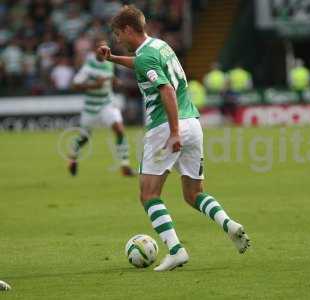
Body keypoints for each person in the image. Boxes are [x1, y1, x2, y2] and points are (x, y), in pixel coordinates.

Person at [96, 5, 250, 271]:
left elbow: (165, 89)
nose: (117, 40)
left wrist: (174, 132)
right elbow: (142, 65)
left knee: (148, 194)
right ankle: (230, 224)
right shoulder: (159, 46)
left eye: (117, 34)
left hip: (165, 128)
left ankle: (176, 250)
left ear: (128, 29)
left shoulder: (146, 57)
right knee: (193, 194)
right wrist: (113, 59)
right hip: (193, 123)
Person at [69, 38, 135, 177]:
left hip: (107, 103)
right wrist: (94, 85)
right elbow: (74, 85)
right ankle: (73, 156)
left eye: (106, 47)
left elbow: (109, 76)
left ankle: (125, 166)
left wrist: (115, 80)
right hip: (91, 107)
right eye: (101, 47)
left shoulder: (108, 61)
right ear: (95, 50)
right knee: (85, 137)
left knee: (119, 130)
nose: (104, 50)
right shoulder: (88, 66)